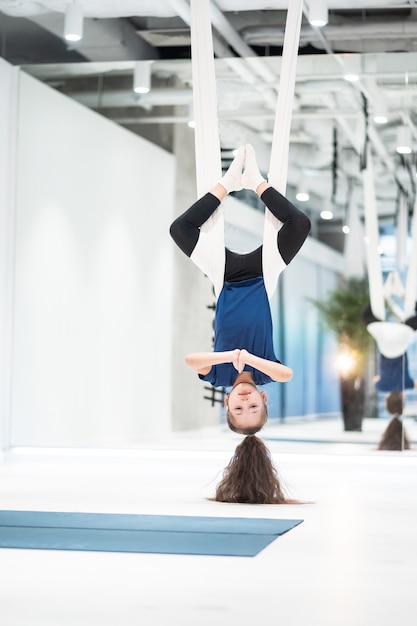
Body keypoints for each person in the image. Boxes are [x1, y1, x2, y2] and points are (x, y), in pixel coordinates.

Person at [170, 144, 311, 504]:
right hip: (264, 275)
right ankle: (258, 183)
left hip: (226, 276)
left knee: (180, 229)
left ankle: (229, 183)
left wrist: (228, 356)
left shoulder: (217, 376)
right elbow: (286, 375)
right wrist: (248, 358)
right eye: (254, 407)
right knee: (300, 225)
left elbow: (191, 361)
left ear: (226, 403)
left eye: (238, 408)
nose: (245, 402)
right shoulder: (266, 375)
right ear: (264, 399)